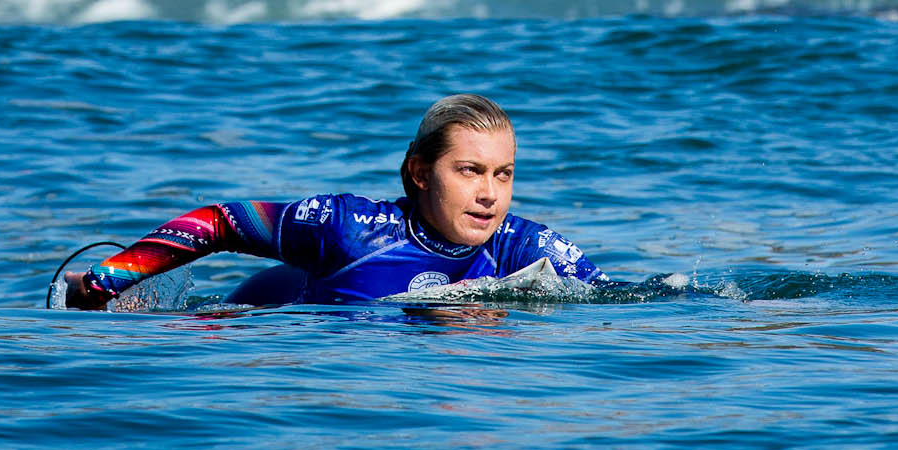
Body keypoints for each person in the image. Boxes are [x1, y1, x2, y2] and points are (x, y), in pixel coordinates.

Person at [62, 94, 607, 310]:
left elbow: (622, 305)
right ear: (420, 172)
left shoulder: (525, 248)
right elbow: (220, 221)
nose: (489, 193)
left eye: (503, 174)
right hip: (263, 315)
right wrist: (109, 278)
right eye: (470, 171)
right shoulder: (352, 228)